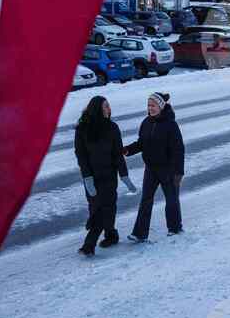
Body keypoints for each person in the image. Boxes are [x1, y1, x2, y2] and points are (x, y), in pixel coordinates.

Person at [74, 95, 137, 256]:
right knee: (95, 207)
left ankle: (89, 244)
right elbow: (81, 155)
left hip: (109, 176)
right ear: (97, 109)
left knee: (106, 208)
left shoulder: (112, 128)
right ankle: (111, 234)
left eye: (109, 106)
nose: (109, 109)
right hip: (91, 177)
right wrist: (87, 178)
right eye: (105, 107)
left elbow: (117, 154)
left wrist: (124, 176)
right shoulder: (82, 129)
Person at [125, 92, 185, 241]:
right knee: (146, 200)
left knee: (171, 199)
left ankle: (175, 228)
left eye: (153, 105)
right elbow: (141, 143)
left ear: (161, 106)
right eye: (148, 105)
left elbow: (178, 149)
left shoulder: (171, 124)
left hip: (168, 169)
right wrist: (127, 150)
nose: (150, 108)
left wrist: (178, 172)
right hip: (151, 168)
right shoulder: (146, 122)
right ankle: (139, 234)